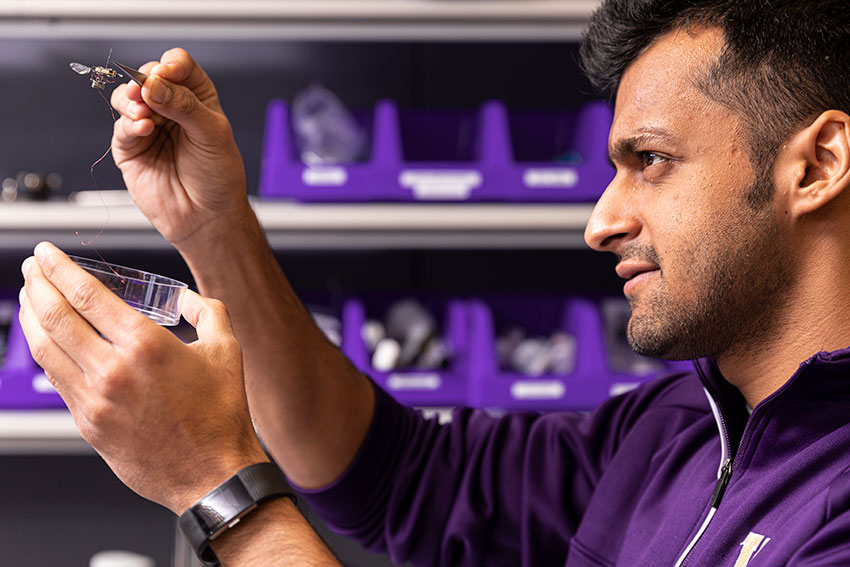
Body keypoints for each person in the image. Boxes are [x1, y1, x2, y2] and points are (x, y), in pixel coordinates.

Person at [17, 0, 850, 565]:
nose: (600, 222)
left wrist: (217, 486)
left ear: (817, 163)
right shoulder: (680, 427)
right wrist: (213, 225)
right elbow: (392, 478)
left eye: (652, 162)